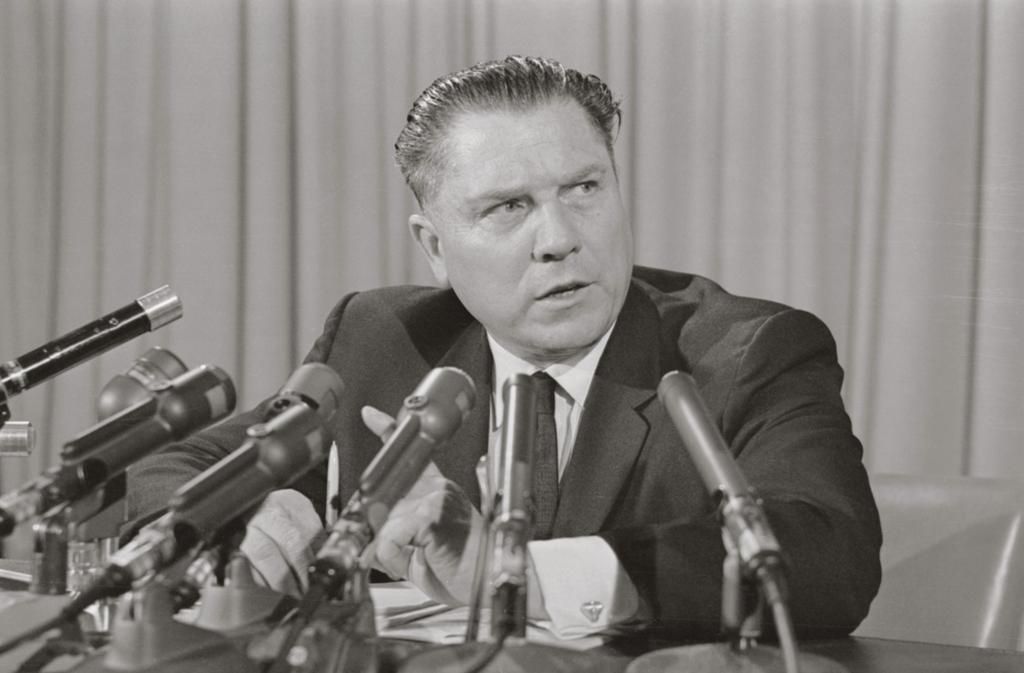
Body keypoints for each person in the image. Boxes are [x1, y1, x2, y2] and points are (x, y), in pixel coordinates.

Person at [127, 55, 881, 640]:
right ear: (435, 248)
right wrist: (241, 518)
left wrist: (521, 575)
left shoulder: (745, 351)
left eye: (584, 188)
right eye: (508, 207)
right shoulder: (384, 338)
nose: (559, 239)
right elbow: (175, 467)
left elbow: (829, 554)